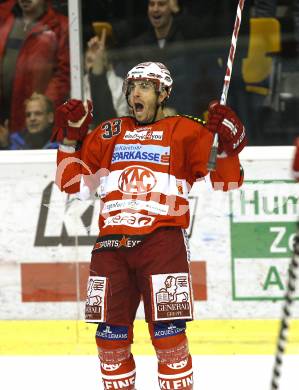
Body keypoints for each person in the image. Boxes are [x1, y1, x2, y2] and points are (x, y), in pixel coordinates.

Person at [52, 62, 247, 390]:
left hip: (162, 244)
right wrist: (70, 140)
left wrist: (231, 142)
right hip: (111, 247)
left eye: (145, 86)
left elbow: (226, 182)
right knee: (109, 344)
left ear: (164, 93)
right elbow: (72, 184)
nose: (136, 93)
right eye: (133, 86)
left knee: (169, 340)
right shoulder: (109, 132)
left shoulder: (186, 130)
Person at [0, 0, 70, 133]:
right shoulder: (4, 16)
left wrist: (43, 108)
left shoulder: (60, 26)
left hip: (35, 118)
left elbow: (63, 74)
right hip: (4, 115)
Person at [84, 33, 128, 125]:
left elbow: (122, 121)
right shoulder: (78, 84)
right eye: (89, 61)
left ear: (104, 62)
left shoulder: (119, 85)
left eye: (96, 60)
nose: (92, 65)